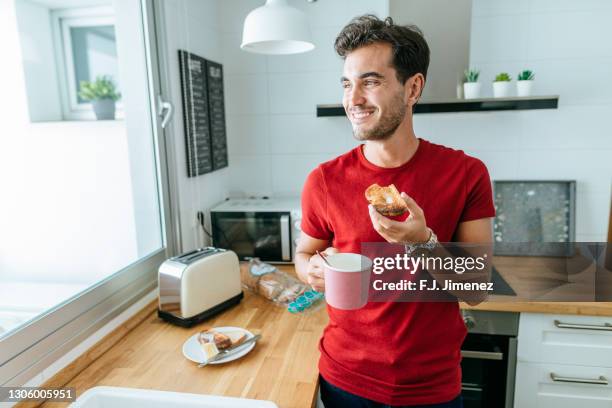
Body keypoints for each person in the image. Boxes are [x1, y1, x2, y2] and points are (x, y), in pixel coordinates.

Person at [294, 15, 495, 408]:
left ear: (413, 88)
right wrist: (312, 270)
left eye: (370, 82)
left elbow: (479, 289)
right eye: (347, 84)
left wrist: (422, 242)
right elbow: (303, 256)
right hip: (346, 381)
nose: (353, 100)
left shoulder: (466, 174)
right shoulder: (323, 180)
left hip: (432, 387)